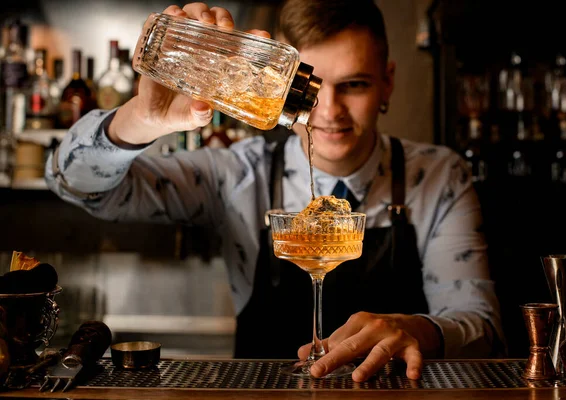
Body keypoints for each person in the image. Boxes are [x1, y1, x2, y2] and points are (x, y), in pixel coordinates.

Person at [45, 0, 505, 382]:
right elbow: (77, 186)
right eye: (312, 88)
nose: (329, 111)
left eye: (355, 85)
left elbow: (483, 327)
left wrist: (418, 329)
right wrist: (141, 120)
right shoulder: (236, 174)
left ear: (387, 81)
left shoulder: (438, 175)